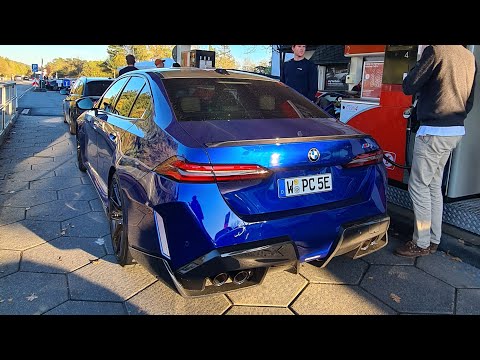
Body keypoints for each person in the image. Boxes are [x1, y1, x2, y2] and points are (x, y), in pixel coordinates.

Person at [395, 45, 477, 257]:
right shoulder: (469, 56)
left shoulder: (435, 50)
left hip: (433, 130)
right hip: (454, 130)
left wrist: (421, 58)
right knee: (433, 185)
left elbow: (409, 85)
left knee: (419, 185)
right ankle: (433, 238)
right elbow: (469, 101)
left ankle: (420, 242)